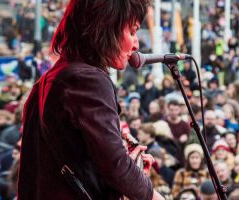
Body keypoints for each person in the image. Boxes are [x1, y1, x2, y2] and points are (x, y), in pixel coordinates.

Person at [17, 0, 163, 199]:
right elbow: (115, 166)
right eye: (132, 31)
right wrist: (152, 194)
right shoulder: (89, 79)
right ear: (107, 26)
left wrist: (131, 169)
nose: (136, 44)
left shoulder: (49, 80)